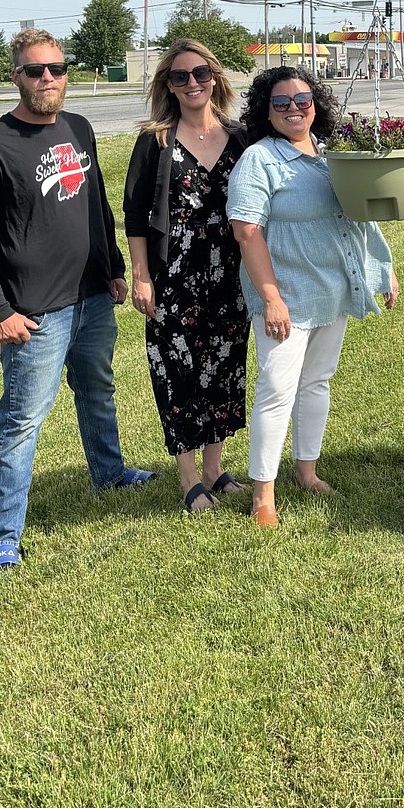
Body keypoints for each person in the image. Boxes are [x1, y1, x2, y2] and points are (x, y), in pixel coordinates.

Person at [0, 29, 155, 573]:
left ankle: (109, 474)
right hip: (35, 311)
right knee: (22, 420)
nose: (48, 79)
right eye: (36, 71)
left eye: (57, 69)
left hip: (91, 299)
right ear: (15, 76)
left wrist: (113, 268)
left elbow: (95, 205)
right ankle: (3, 536)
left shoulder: (79, 127)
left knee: (97, 390)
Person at [227, 66, 399, 529]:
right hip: (289, 298)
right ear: (266, 111)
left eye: (302, 99)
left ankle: (307, 470)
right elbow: (246, 232)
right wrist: (271, 299)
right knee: (277, 391)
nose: (293, 109)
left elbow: (363, 213)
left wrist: (383, 270)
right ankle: (263, 495)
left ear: (315, 104)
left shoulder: (332, 154)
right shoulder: (260, 160)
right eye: (280, 103)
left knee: (317, 382)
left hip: (333, 290)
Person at [123, 40, 249, 514]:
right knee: (177, 372)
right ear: (168, 86)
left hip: (231, 275)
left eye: (200, 73)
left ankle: (216, 470)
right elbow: (135, 214)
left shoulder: (241, 138)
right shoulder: (155, 140)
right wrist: (141, 276)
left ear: (214, 78)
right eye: (180, 77)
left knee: (224, 368)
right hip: (173, 273)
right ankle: (189, 477)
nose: (192, 82)